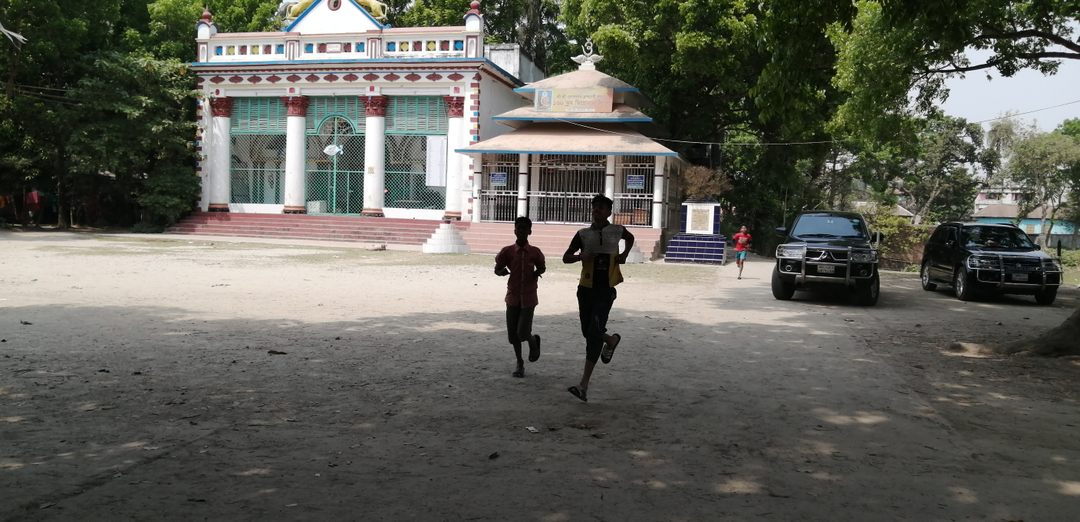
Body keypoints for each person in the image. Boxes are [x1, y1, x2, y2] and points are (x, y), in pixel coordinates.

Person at [562, 194, 635, 402]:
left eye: (601, 208)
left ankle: (583, 385)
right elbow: (565, 257)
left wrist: (624, 255)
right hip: (585, 289)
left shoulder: (617, 231)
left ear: (609, 212)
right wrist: (580, 257)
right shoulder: (582, 234)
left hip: (605, 290)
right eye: (595, 207)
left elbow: (630, 238)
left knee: (594, 332)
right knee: (588, 332)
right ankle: (611, 340)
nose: (597, 211)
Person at [494, 216, 545, 378]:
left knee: (522, 332)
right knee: (513, 335)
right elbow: (497, 268)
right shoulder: (507, 251)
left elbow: (542, 267)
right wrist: (501, 272)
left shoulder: (535, 252)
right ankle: (519, 362)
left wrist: (537, 272)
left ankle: (532, 341)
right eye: (518, 228)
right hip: (513, 297)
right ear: (514, 230)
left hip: (529, 297)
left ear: (530, 231)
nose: (521, 231)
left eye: (524, 228)